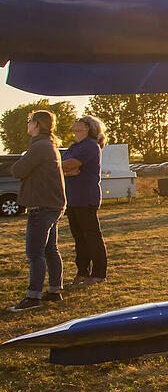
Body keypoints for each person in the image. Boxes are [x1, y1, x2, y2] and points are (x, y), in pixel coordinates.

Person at [8, 110, 66, 312]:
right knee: (50, 249)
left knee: (35, 252)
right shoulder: (49, 145)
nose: (27, 124)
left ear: (37, 124)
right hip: (53, 204)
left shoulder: (40, 146)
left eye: (29, 121)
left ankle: (33, 297)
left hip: (41, 206)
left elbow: (17, 170)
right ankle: (54, 290)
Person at [62, 115, 108, 286]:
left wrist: (67, 167)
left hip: (85, 197)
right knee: (79, 237)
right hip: (72, 198)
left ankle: (98, 273)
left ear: (87, 127)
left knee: (92, 236)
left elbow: (69, 165)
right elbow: (66, 167)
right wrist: (67, 168)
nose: (75, 121)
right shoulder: (74, 146)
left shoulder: (90, 145)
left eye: (80, 120)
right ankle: (82, 272)